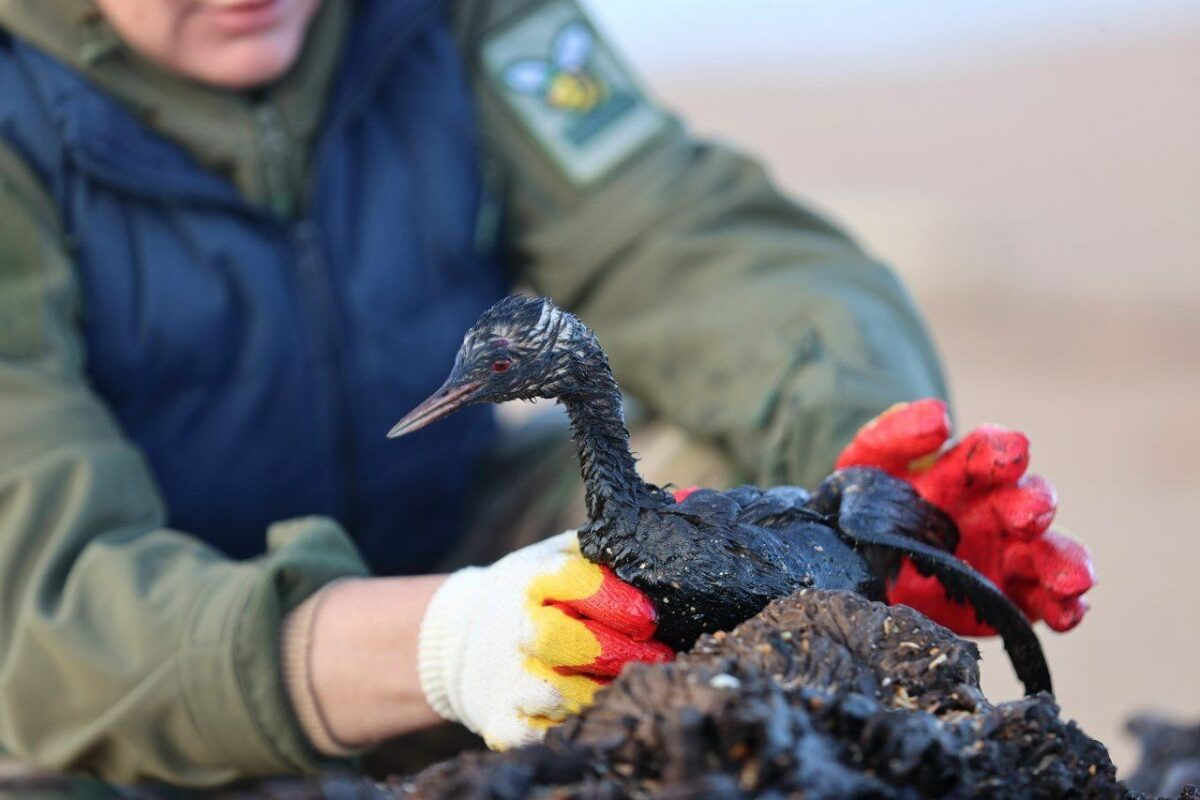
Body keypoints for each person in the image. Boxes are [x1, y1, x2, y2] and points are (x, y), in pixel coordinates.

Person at [0, 0, 1092, 788]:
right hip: (117, 672)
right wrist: (444, 644)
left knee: (709, 533)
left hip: (449, 531)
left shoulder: (457, 17)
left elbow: (687, 242)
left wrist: (861, 486)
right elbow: (33, 601)